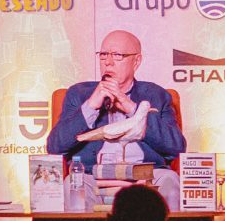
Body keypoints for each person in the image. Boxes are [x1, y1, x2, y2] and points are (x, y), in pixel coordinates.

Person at [46, 29, 186, 209]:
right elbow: (55, 147)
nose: (108, 62)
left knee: (170, 180)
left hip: (146, 177)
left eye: (117, 55)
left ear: (136, 61)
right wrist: (91, 106)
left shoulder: (156, 95)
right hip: (93, 177)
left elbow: (176, 147)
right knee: (72, 184)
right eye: (103, 55)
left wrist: (132, 108)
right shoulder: (79, 94)